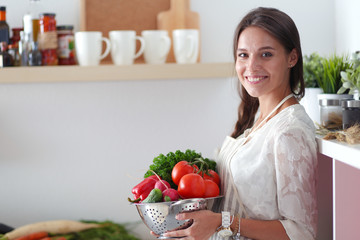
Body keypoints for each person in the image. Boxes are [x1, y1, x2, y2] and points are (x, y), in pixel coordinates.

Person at [154, 7, 318, 240]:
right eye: (243, 55)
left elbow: (302, 233)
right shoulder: (259, 118)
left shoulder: (289, 131)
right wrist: (178, 221)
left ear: (292, 57)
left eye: (266, 54)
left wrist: (223, 222)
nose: (251, 66)